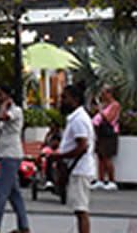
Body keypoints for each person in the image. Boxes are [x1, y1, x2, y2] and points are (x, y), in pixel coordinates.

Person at [0, 85, 31, 233]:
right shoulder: (8, 112)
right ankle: (24, 226)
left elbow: (3, 116)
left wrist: (4, 105)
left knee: (1, 192)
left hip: (11, 155)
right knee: (15, 194)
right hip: (5, 154)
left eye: (1, 95)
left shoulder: (15, 111)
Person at [52, 84, 96, 233]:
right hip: (77, 169)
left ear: (75, 100)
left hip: (79, 170)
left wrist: (60, 156)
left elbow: (82, 146)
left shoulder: (79, 119)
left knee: (81, 210)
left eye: (65, 98)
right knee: (79, 210)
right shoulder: (76, 118)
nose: (62, 101)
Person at [92, 86, 120, 191]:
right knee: (100, 156)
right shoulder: (104, 105)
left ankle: (112, 181)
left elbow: (109, 118)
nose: (102, 96)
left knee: (107, 157)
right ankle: (100, 179)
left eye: (104, 94)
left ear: (109, 94)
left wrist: (101, 111)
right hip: (101, 133)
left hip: (109, 134)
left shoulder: (115, 105)